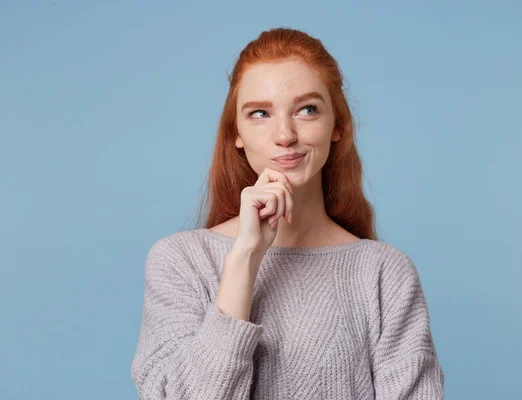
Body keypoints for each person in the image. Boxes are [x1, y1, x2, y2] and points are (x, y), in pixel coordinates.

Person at [130, 27, 444, 399]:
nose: (285, 135)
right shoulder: (181, 262)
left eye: (307, 109)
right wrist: (245, 257)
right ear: (237, 134)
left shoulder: (383, 273)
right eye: (260, 113)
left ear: (337, 126)